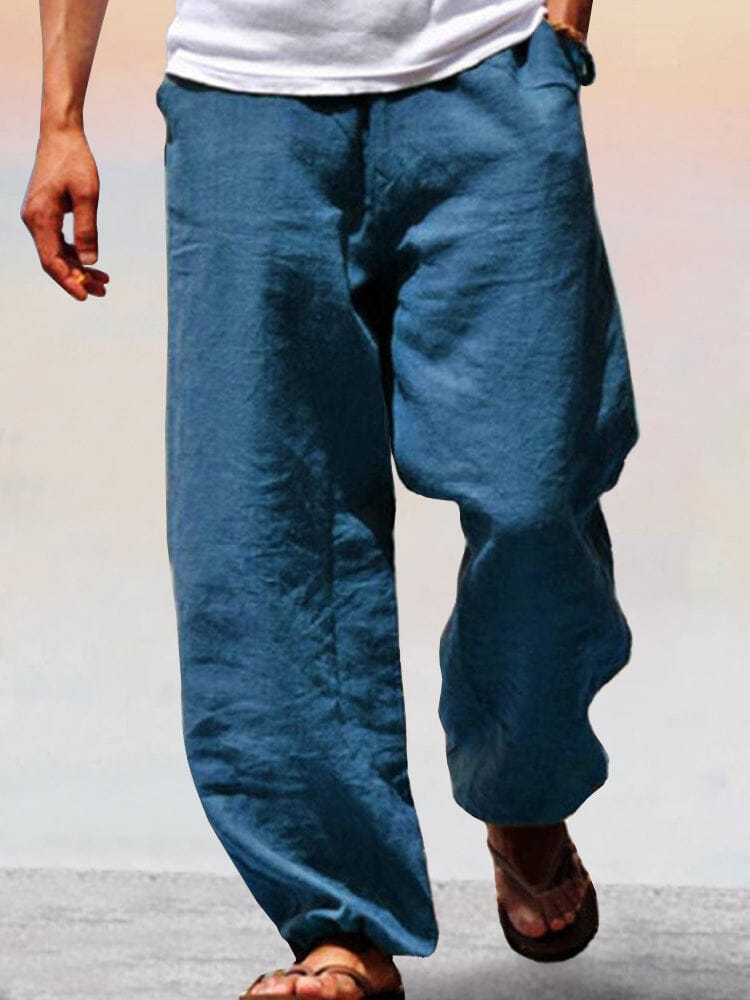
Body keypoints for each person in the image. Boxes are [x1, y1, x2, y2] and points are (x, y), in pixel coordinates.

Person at [20, 0, 639, 996]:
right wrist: (61, 116)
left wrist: (561, 32)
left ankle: (524, 780)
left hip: (486, 68)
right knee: (264, 528)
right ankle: (341, 924)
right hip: (244, 102)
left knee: (536, 491)